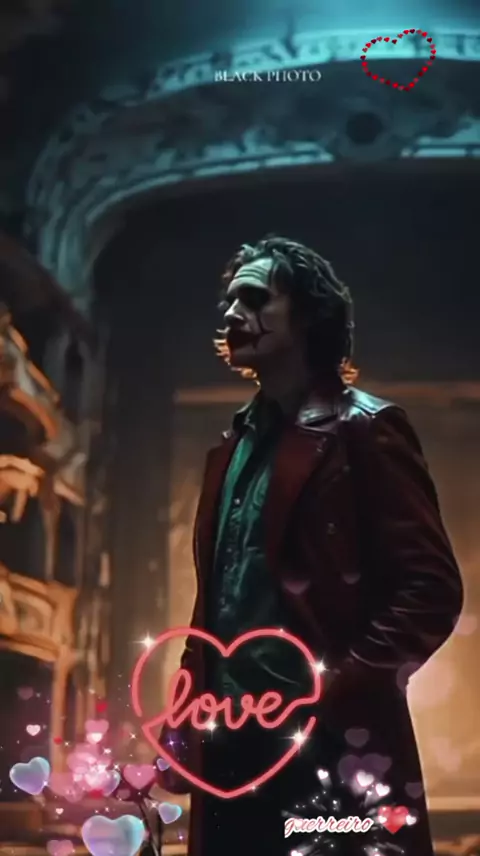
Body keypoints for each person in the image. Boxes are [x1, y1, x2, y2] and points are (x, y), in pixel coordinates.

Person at [155, 235, 463, 856]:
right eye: (229, 300)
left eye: (255, 299)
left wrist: (334, 694)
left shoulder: (365, 430)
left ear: (309, 316)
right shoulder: (232, 447)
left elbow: (431, 590)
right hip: (230, 747)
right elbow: (217, 601)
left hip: (326, 753)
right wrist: (185, 710)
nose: (232, 313)